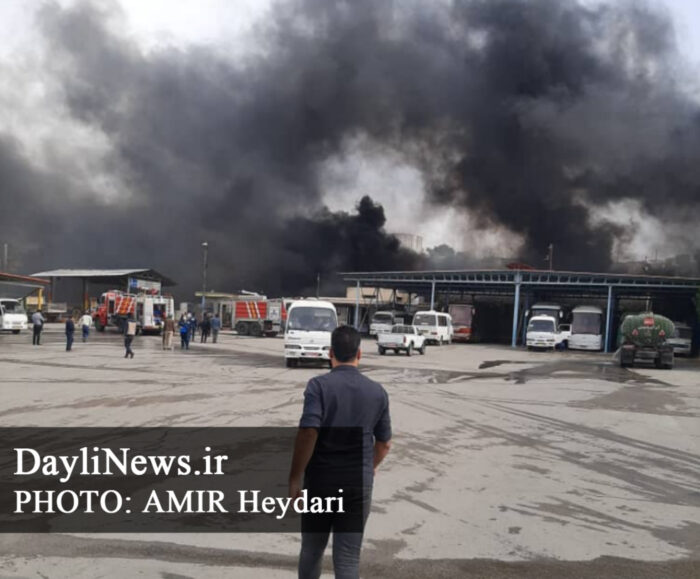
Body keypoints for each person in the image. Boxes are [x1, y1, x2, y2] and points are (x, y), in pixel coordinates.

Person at [289, 325, 392, 579]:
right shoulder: (377, 392)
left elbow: (308, 432)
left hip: (321, 483)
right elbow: (384, 443)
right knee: (347, 558)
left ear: (330, 352)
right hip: (358, 486)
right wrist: (371, 466)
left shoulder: (318, 386)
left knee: (312, 550)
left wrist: (294, 478)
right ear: (359, 354)